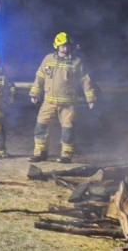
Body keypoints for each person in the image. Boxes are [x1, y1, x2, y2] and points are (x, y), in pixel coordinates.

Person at [28, 32, 96, 163]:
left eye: (68, 46)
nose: (65, 48)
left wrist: (90, 98)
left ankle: (66, 154)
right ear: (57, 45)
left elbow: (85, 80)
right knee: (41, 125)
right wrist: (34, 93)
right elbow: (40, 76)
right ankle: (40, 153)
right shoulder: (48, 59)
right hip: (49, 101)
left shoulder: (77, 62)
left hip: (68, 102)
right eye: (62, 46)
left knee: (67, 128)